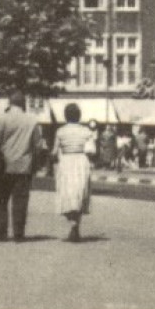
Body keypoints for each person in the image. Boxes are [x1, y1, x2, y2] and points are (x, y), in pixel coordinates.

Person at [0, 94, 40, 243]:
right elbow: (38, 145)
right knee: (21, 199)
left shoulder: (1, 119)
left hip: (3, 166)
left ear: (9, 103)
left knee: (0, 198)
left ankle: (1, 230)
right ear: (23, 104)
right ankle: (18, 232)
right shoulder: (32, 121)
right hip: (23, 166)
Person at [51, 103, 94, 242]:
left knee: (67, 193)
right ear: (79, 115)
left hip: (66, 161)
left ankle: (72, 223)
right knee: (79, 193)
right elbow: (92, 150)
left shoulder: (60, 131)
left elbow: (54, 151)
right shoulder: (86, 131)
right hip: (82, 161)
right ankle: (76, 226)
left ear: (65, 116)